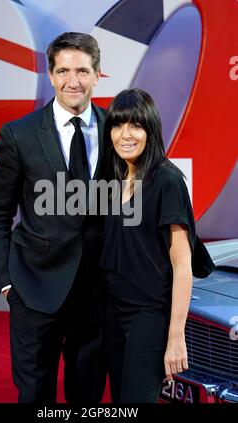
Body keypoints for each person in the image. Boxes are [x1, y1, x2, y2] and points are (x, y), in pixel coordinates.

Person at [0, 32, 106, 404]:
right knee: (35, 394)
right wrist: (7, 282)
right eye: (64, 71)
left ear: (98, 75)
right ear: (50, 75)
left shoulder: (121, 131)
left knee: (88, 395)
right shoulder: (19, 135)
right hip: (33, 288)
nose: (74, 81)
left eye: (83, 71)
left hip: (98, 292)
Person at [100, 88, 196, 403]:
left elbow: (183, 265)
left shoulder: (167, 181)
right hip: (113, 314)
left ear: (150, 129)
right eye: (117, 125)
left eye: (135, 125)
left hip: (148, 317)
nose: (125, 134)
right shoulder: (112, 180)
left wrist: (176, 336)